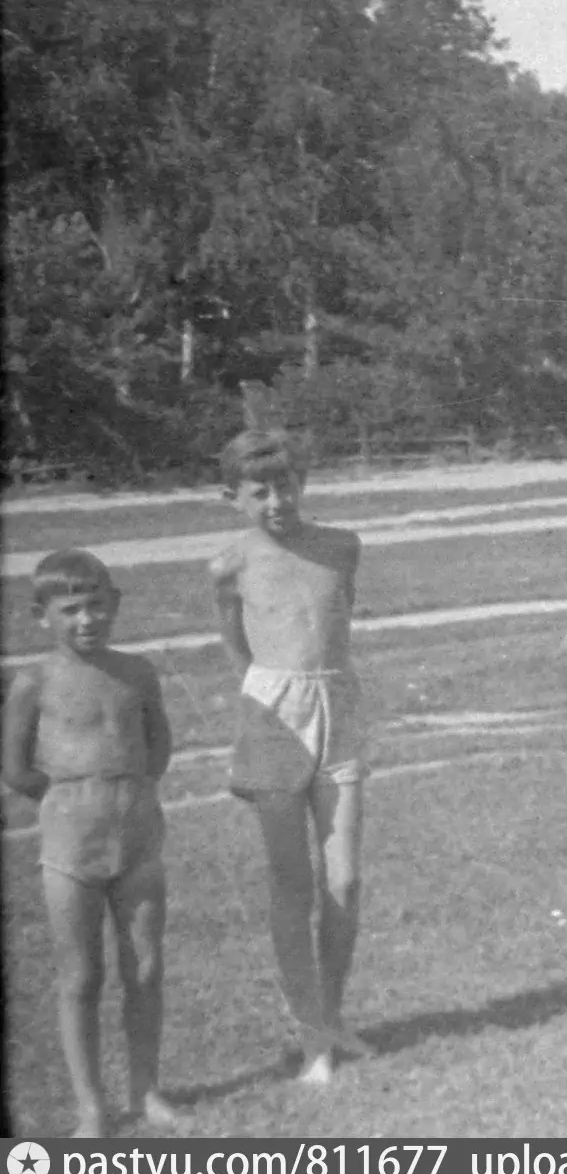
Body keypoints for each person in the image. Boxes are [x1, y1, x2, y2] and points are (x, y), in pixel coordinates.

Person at [209, 427, 370, 1084]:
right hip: (273, 714)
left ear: (303, 481)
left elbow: (337, 622)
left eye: (287, 483)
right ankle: (312, 1039)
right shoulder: (231, 561)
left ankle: (331, 1016)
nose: (277, 499)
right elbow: (236, 645)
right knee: (291, 882)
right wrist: (271, 691)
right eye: (259, 490)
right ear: (232, 497)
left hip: (339, 707)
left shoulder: (342, 546)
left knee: (345, 880)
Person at [3, 550, 180, 1137]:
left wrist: (127, 789)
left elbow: (159, 744)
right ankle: (90, 1106)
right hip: (70, 847)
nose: (87, 620)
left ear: (116, 605)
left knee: (147, 967)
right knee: (80, 976)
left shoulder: (138, 671)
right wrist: (71, 800)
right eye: (71, 609)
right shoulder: (33, 681)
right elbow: (16, 770)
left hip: (137, 837)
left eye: (97, 606)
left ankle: (146, 1090)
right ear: (40, 615)